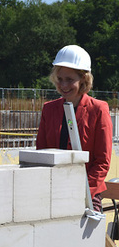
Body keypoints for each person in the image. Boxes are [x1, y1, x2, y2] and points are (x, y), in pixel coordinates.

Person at [36, 45, 112, 212]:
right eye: (60, 79)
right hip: (53, 191)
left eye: (70, 80)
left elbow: (102, 162)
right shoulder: (49, 109)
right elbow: (41, 153)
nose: (64, 85)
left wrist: (82, 192)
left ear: (84, 79)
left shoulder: (98, 109)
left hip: (88, 195)